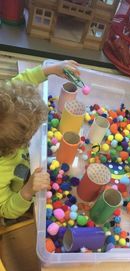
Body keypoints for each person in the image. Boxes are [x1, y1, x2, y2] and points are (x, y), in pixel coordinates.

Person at [0, 60, 80, 221]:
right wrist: (27, 191)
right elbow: (5, 209)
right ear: (23, 143)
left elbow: (23, 81)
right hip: (20, 188)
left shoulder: (7, 98)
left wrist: (49, 69)